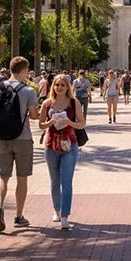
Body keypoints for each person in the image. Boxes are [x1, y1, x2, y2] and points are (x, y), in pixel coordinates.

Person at [0, 56, 39, 231]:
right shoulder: (28, 91)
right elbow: (34, 115)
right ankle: (18, 216)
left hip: (2, 138)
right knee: (22, 178)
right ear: (23, 71)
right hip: (23, 139)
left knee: (2, 176)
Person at [39, 74, 86, 230]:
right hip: (51, 145)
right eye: (57, 85)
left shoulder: (74, 102)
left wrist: (69, 122)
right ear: (53, 86)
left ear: (67, 87)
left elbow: (82, 124)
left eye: (63, 85)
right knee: (54, 181)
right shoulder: (47, 103)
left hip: (69, 145)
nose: (59, 88)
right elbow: (41, 125)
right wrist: (50, 122)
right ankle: (56, 210)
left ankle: (65, 215)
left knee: (66, 181)